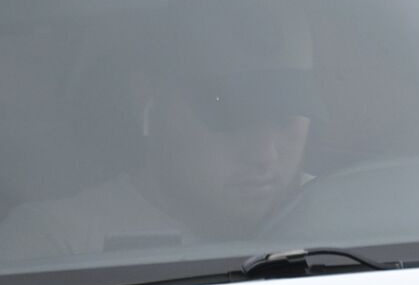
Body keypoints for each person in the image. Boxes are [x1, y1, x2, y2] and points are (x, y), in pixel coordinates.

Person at [0, 69, 316, 260]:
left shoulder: (341, 220)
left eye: (284, 118)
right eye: (229, 118)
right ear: (148, 100)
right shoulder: (52, 245)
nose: (265, 154)